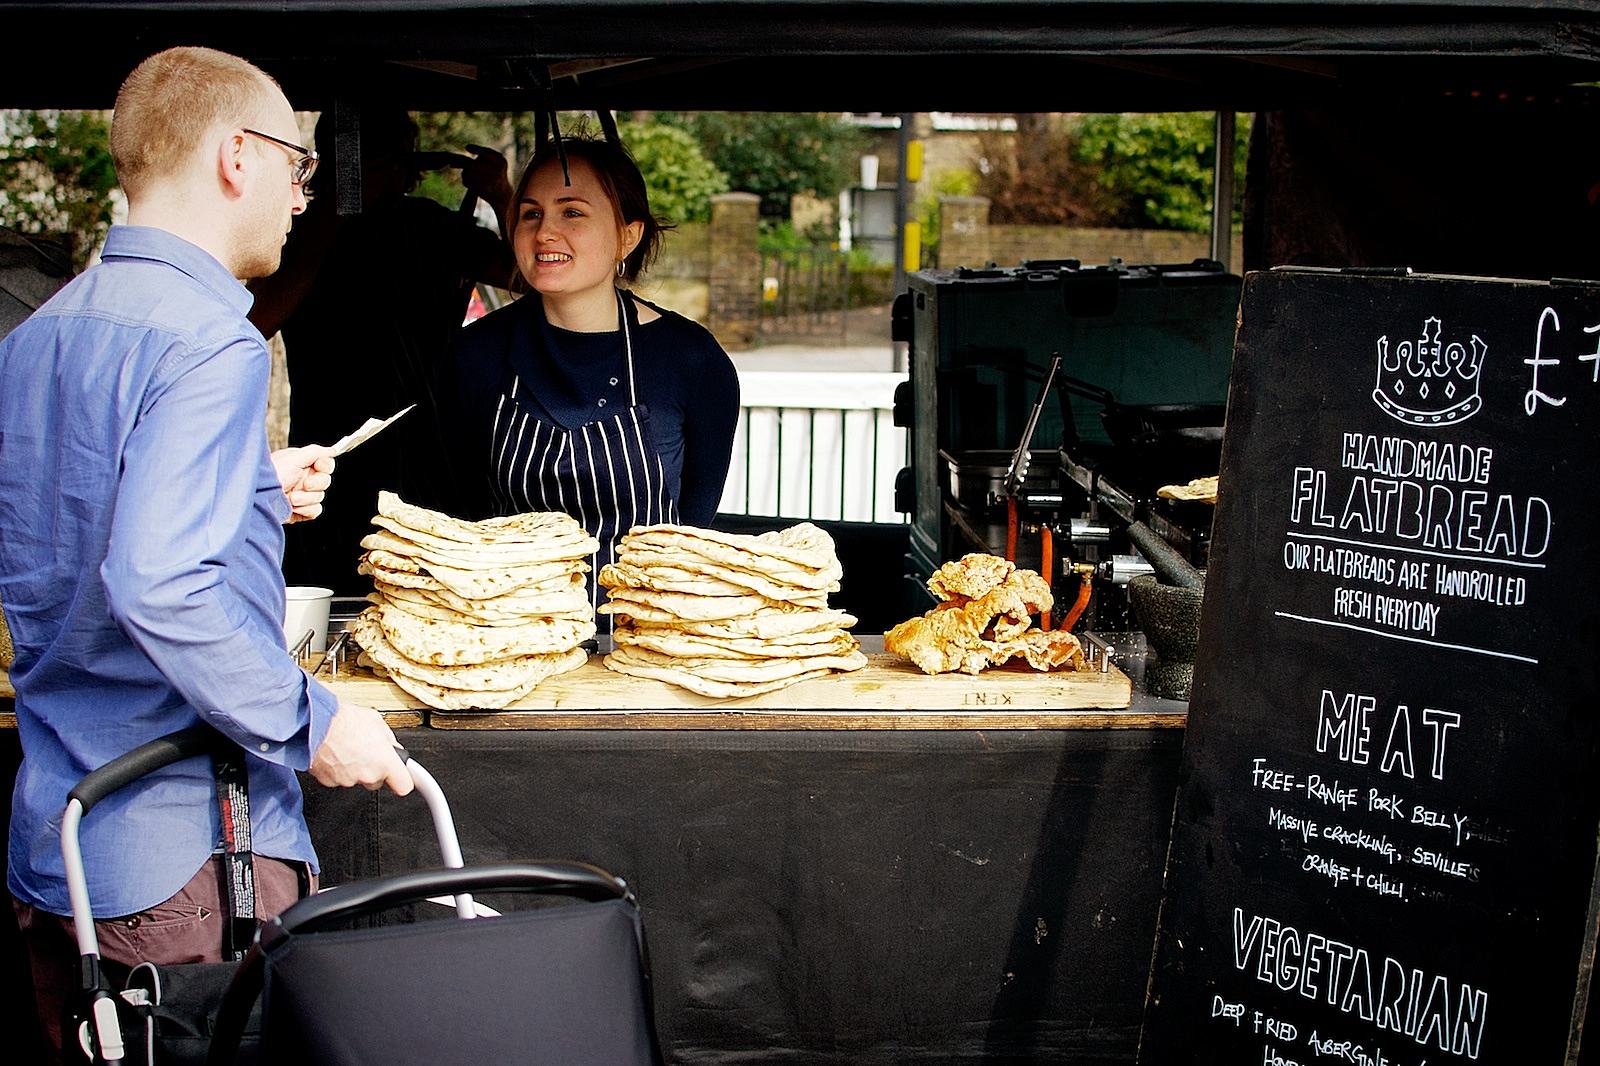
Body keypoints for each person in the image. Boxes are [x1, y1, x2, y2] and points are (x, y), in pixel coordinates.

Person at [0, 47, 413, 1059]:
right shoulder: (213, 342)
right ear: (238, 157)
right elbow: (156, 583)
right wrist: (313, 719)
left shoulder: (38, 336)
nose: (299, 197)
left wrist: (246, 487)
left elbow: (67, 529)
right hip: (188, 860)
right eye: (298, 168)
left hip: (63, 843)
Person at [443, 136, 740, 619]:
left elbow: (694, 529)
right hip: (505, 634)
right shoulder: (476, 355)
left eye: (572, 213)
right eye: (531, 213)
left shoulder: (692, 360)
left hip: (648, 638)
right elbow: (456, 513)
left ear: (628, 234)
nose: (545, 233)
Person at [248, 105, 516, 594]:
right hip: (330, 456)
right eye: (375, 163)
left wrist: (501, 196)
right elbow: (255, 321)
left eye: (400, 161)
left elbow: (527, 273)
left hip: (434, 452)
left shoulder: (429, 226)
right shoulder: (298, 232)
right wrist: (339, 211)